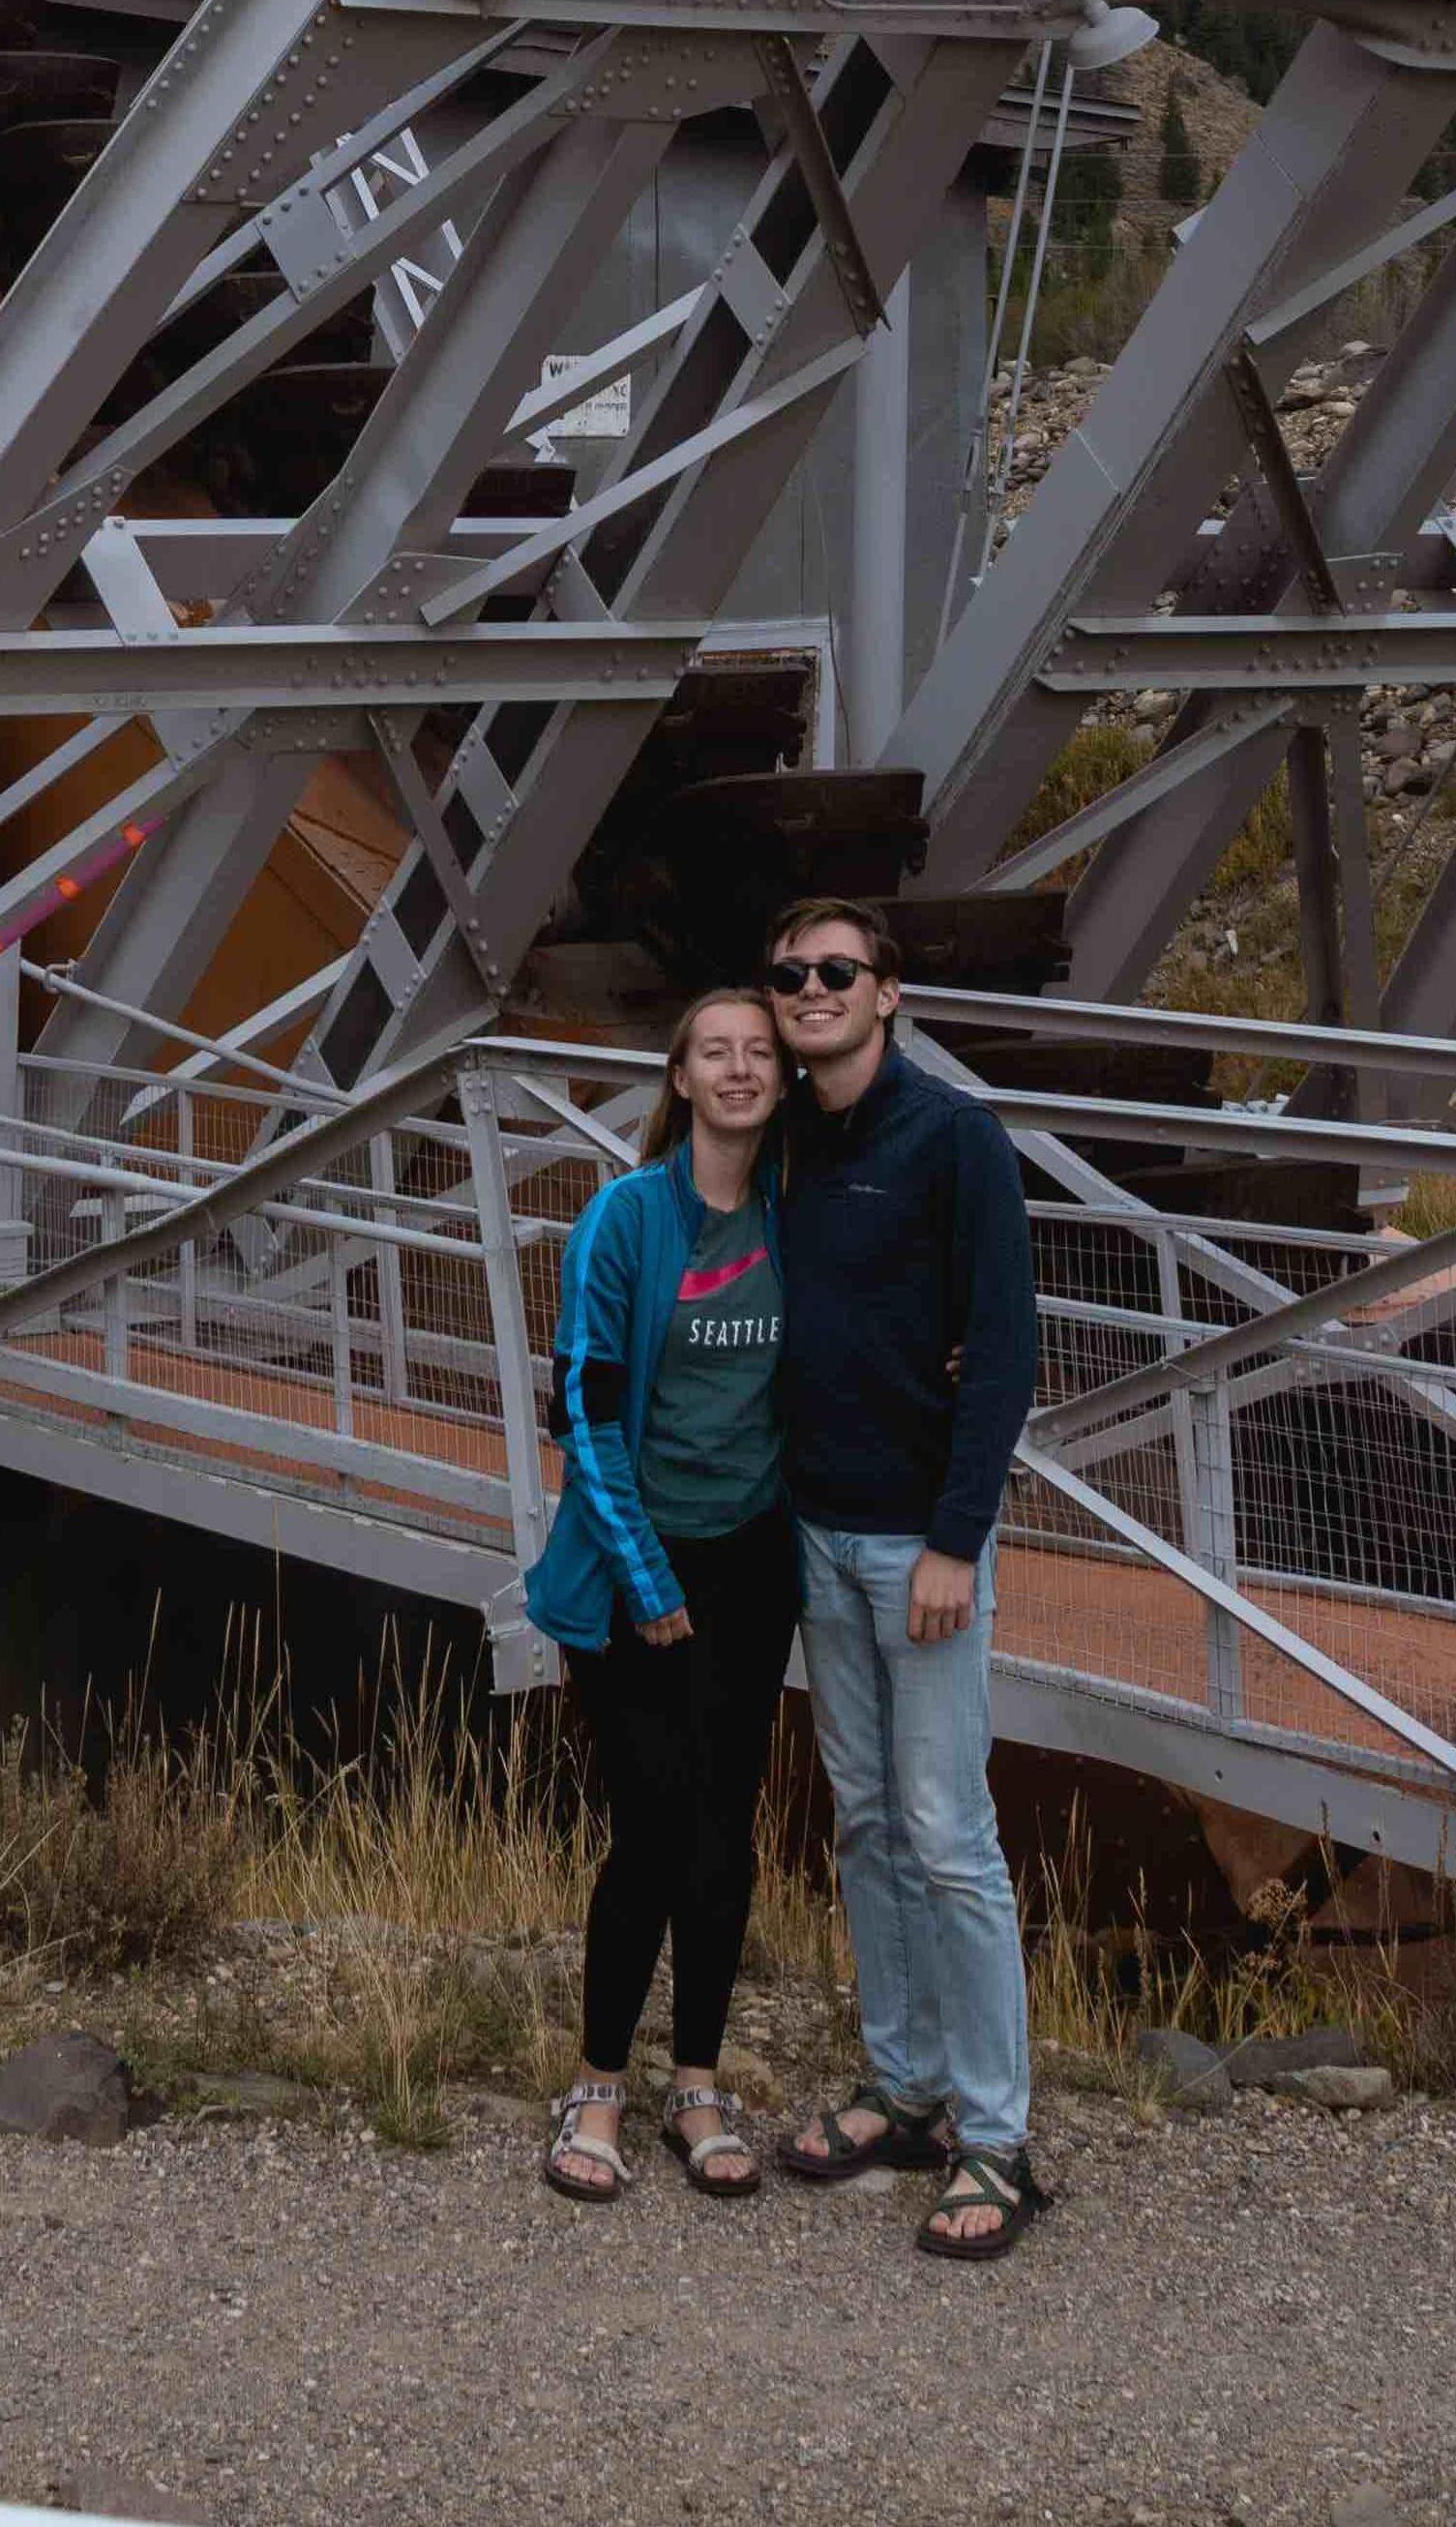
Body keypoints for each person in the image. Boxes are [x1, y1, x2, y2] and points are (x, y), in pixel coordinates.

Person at [758, 892, 1048, 2259]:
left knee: (949, 1833)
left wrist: (955, 1533)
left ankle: (995, 2135)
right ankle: (905, 2084)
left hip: (916, 1544)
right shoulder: (782, 1145)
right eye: (789, 973)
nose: (809, 987)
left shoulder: (955, 1138)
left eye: (834, 969)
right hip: (815, 1530)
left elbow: (999, 1351)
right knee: (866, 1819)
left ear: (887, 991)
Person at [515, 982, 798, 2202]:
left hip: (753, 1557)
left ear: (780, 1080)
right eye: (714, 1052)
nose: (739, 1069)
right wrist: (645, 1575)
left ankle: (696, 2082)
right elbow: (582, 1398)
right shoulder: (625, 1218)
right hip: (640, 1564)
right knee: (652, 1822)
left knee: (724, 1835)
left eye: (759, 1053)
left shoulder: (797, 1216)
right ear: (680, 1078)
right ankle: (595, 2084)